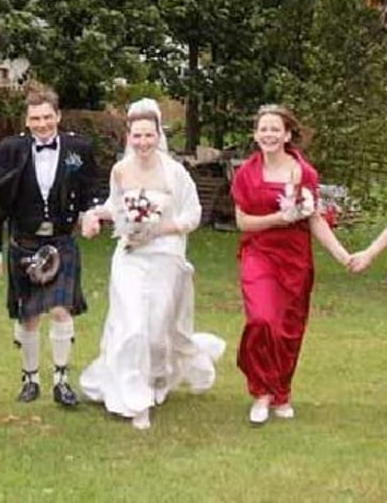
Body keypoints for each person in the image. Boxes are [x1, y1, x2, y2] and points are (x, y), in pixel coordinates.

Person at [78, 98, 225, 430]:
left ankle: (158, 377)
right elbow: (115, 206)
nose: (143, 142)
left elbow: (192, 215)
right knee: (132, 326)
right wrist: (93, 216)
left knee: (157, 329)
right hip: (130, 255)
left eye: (149, 135)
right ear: (129, 137)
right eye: (137, 136)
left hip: (165, 255)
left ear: (159, 135)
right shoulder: (121, 170)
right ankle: (134, 398)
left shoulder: (175, 173)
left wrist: (157, 230)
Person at [231, 104, 351, 425]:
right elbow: (243, 222)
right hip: (259, 253)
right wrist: (277, 219)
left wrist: (342, 255)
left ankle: (281, 393)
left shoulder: (305, 172)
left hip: (295, 258)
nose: (269, 134)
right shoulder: (246, 174)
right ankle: (261, 392)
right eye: (263, 129)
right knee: (261, 320)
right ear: (256, 135)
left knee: (288, 329)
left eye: (275, 129)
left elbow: (315, 219)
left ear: (286, 135)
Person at [0, 84, 99, 407]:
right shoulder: (11, 149)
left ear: (58, 116)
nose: (42, 124)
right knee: (29, 315)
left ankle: (61, 380)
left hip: (61, 241)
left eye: (47, 117)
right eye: (35, 118)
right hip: (25, 242)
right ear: (27, 120)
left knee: (61, 309)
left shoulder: (79, 148)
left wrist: (91, 215)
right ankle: (30, 379)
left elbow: (91, 190)